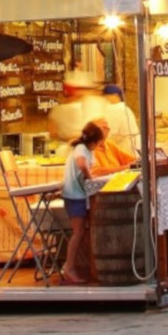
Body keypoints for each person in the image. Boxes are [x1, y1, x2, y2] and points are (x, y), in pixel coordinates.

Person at [59, 121, 103, 284]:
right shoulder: (81, 149)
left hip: (78, 194)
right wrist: (90, 178)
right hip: (74, 195)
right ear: (95, 141)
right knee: (78, 232)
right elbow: (82, 164)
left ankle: (72, 265)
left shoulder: (83, 149)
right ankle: (69, 267)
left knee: (81, 232)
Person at [101, 84, 140, 154]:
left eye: (107, 96)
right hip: (136, 143)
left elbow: (111, 133)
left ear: (115, 96)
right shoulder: (124, 107)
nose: (106, 99)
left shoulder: (114, 109)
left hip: (127, 147)